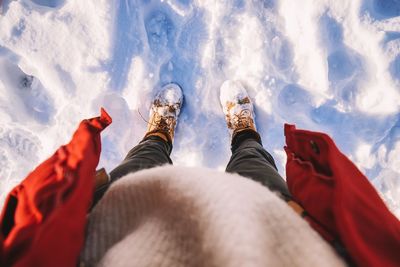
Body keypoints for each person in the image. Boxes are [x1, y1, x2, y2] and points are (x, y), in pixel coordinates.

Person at [80, 81, 346, 266]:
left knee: (139, 169)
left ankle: (161, 136)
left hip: (98, 229)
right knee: (256, 176)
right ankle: (239, 137)